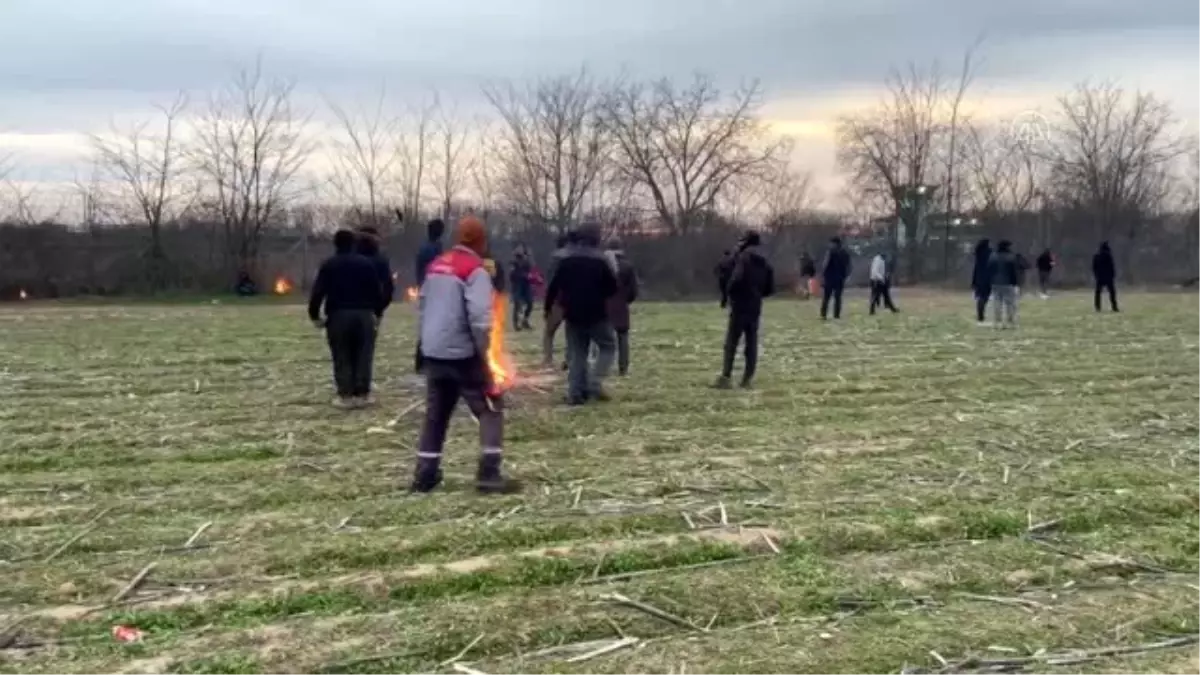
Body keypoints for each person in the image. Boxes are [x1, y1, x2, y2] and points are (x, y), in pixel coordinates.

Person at [411, 215, 520, 494]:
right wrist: (484, 356)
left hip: (434, 353)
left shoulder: (436, 266)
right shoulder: (475, 270)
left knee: (436, 416)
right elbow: (480, 320)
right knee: (491, 408)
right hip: (463, 354)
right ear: (482, 241)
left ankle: (425, 476)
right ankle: (489, 473)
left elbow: (422, 309)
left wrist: (423, 346)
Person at [308, 229, 387, 409]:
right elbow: (377, 292)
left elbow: (318, 292)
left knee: (341, 354)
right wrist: (378, 313)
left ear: (335, 244)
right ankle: (362, 393)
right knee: (363, 355)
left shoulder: (328, 265)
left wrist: (314, 315)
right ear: (353, 244)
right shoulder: (366, 264)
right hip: (364, 315)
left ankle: (345, 394)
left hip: (338, 315)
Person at [545, 222, 618, 405]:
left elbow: (553, 287)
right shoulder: (601, 260)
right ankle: (594, 382)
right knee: (608, 347)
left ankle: (575, 393)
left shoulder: (566, 260)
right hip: (596, 313)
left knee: (577, 353)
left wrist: (548, 308)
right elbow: (612, 288)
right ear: (596, 239)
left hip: (572, 313)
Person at [715, 231, 775, 389]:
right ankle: (747, 379)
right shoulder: (765, 260)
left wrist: (729, 292)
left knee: (731, 342)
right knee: (752, 342)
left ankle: (726, 377)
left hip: (740, 304)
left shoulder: (743, 258)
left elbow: (735, 279)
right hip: (755, 305)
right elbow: (770, 288)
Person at [355, 226, 395, 403]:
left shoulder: (350, 257)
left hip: (345, 309)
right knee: (366, 351)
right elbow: (388, 288)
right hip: (371, 310)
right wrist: (380, 310)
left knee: (347, 351)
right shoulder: (380, 260)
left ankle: (348, 387)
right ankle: (363, 387)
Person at [413, 218, 446, 373]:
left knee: (428, 324)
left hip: (426, 288)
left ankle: (423, 361)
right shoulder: (434, 249)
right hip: (433, 290)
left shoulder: (425, 248)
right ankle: (424, 361)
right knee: (432, 325)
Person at [604, 238, 639, 376]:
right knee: (623, 338)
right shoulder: (627, 266)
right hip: (621, 305)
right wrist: (626, 300)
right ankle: (623, 367)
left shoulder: (602, 265)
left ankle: (602, 366)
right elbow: (633, 290)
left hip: (604, 306)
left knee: (603, 340)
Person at [542, 232, 575, 369]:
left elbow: (551, 281)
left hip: (557, 299)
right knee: (571, 332)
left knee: (549, 332)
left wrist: (547, 302)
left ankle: (548, 359)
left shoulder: (555, 258)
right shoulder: (574, 256)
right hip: (572, 299)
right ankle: (569, 359)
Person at [987, 240, 1021, 329]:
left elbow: (989, 270)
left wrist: (989, 281)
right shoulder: (1011, 257)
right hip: (1008, 283)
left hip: (995, 283)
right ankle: (1010, 322)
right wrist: (1015, 283)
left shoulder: (993, 256)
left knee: (997, 303)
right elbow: (1013, 272)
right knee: (1010, 303)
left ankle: (997, 322)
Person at [820, 237, 851, 320]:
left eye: (831, 243)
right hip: (840, 279)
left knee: (826, 297)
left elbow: (826, 265)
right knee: (838, 298)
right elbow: (848, 267)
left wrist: (823, 275)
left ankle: (823, 314)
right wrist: (845, 276)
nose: (830, 245)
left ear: (834, 243)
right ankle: (836, 315)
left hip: (830, 278)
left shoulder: (830, 252)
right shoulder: (845, 253)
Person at [509, 245, 534, 330]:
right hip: (517, 285)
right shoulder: (513, 262)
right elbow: (512, 275)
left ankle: (525, 321)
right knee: (517, 305)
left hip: (526, 285)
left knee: (530, 304)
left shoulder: (526, 261)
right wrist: (524, 276)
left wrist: (529, 257)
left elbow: (531, 269)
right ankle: (516, 324)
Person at [971, 238, 993, 325]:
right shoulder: (990, 253)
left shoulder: (978, 253)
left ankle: (980, 314)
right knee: (985, 297)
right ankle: (981, 314)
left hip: (978, 277)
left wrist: (973, 281)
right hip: (988, 277)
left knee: (980, 296)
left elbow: (976, 267)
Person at [1092, 241, 1119, 312]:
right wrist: (1113, 275)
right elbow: (1111, 267)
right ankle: (1114, 307)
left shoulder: (1096, 256)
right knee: (1112, 293)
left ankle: (1097, 307)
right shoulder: (1108, 256)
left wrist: (1096, 275)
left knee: (1098, 293)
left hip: (1100, 277)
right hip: (1108, 277)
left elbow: (1094, 268)